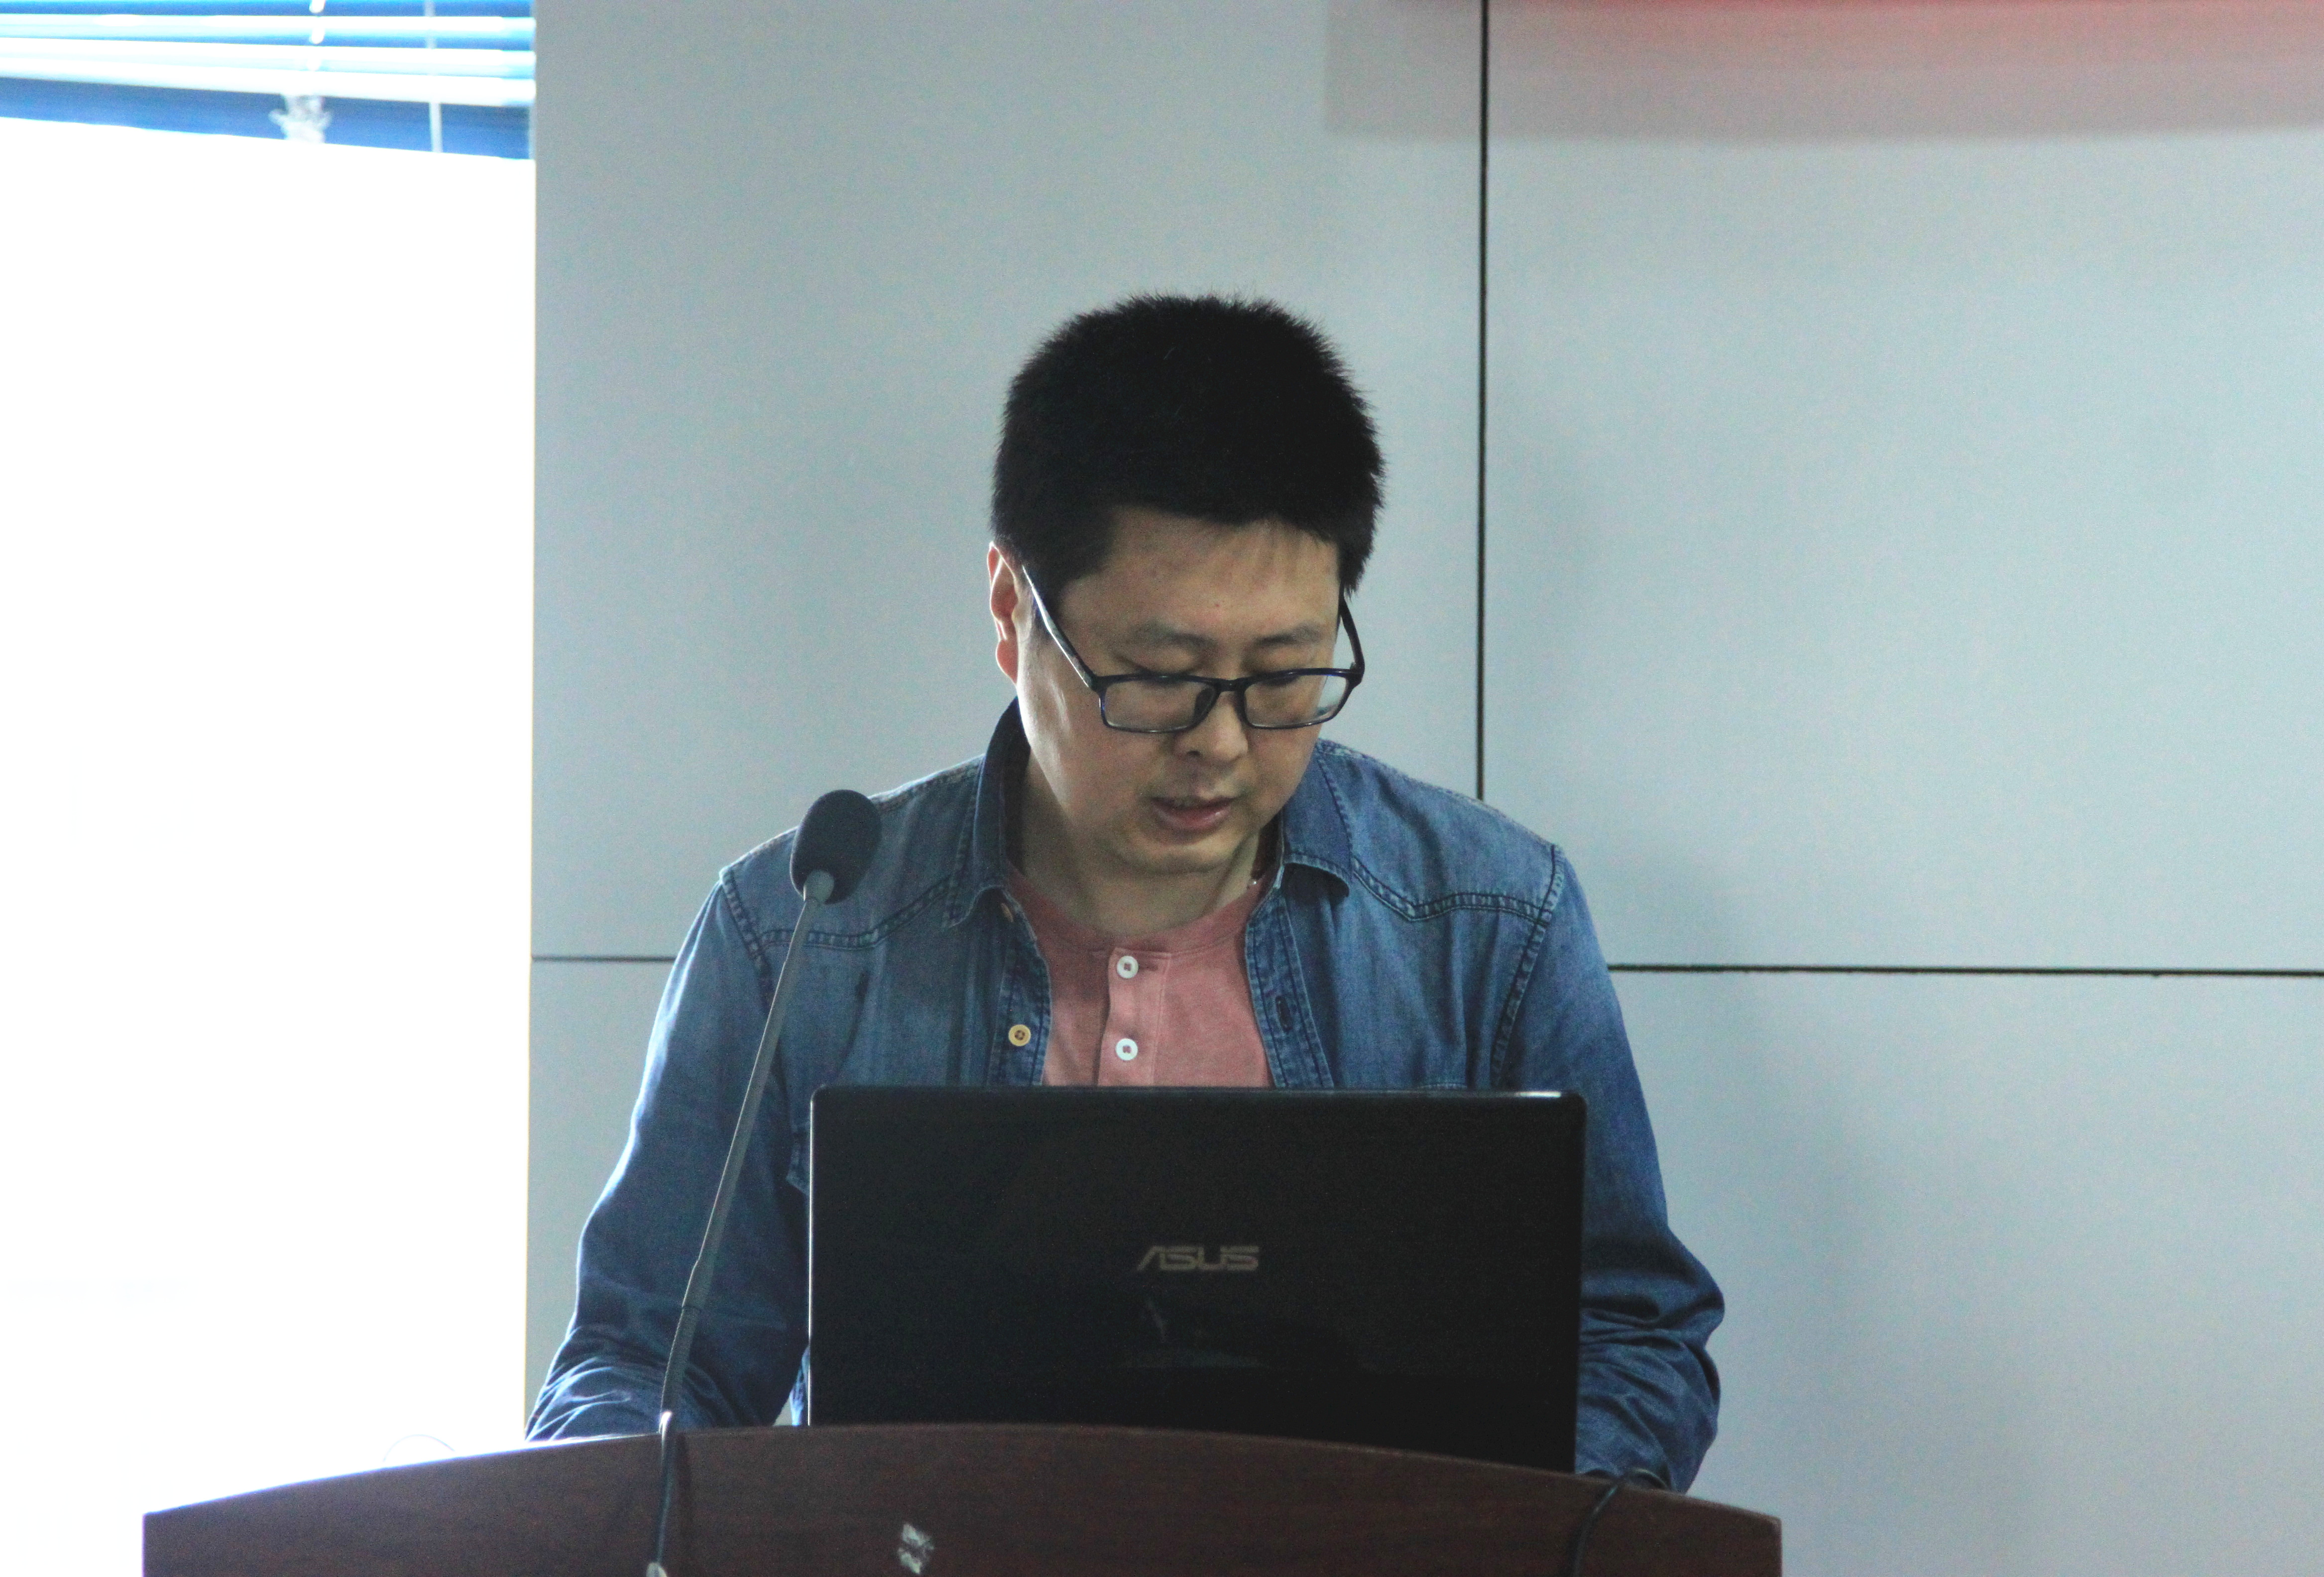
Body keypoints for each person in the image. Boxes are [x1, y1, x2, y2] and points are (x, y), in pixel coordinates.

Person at [529, 295, 1724, 1488]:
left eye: (1284, 675)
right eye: (1159, 676)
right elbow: (647, 1364)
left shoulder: (1490, 921)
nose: (1220, 742)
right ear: (1014, 613)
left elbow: (1634, 1340)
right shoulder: (799, 931)